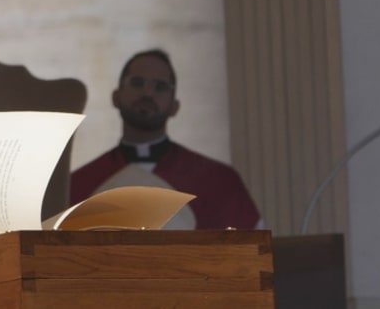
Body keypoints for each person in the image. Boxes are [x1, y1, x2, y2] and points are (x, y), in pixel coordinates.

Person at [70, 48, 262, 230]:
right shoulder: (78, 184)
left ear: (175, 106)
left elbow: (251, 255)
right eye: (137, 83)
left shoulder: (219, 182)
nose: (147, 93)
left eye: (160, 87)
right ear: (116, 97)